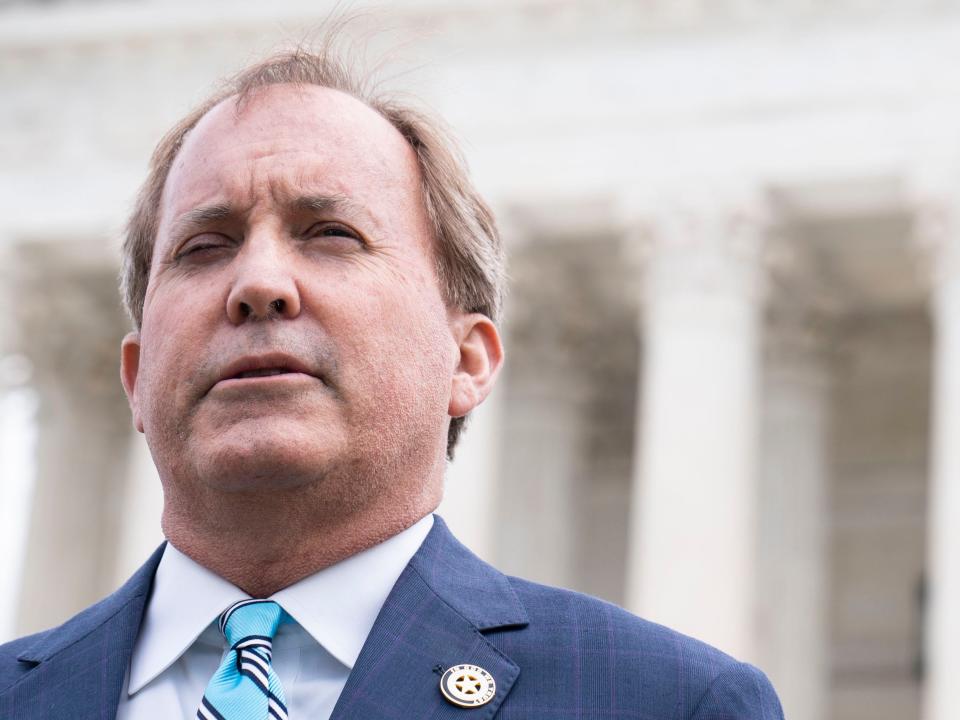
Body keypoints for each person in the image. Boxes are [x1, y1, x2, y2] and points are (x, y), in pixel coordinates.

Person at [0, 45, 784, 720]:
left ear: (467, 360)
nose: (259, 282)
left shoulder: (662, 703)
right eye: (205, 246)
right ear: (134, 379)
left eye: (331, 234)